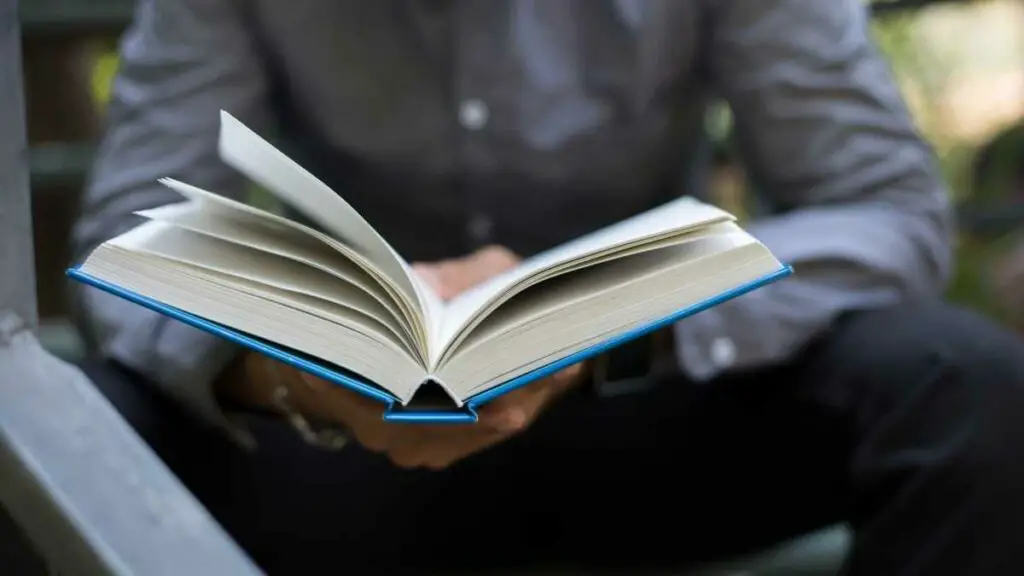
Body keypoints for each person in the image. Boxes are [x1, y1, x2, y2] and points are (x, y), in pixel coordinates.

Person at [72, 0, 1024, 574]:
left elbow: (886, 209)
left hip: (657, 413)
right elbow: (129, 232)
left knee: (962, 381)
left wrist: (607, 315)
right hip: (339, 446)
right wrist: (285, 370)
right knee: (67, 429)